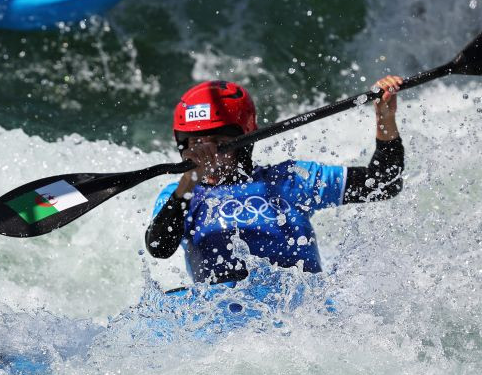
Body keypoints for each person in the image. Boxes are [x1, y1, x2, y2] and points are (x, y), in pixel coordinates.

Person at [144, 77, 405, 285]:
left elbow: (383, 182)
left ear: (245, 141)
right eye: (196, 145)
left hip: (298, 322)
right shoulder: (178, 196)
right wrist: (188, 183)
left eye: (220, 145)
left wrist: (384, 118)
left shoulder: (290, 180)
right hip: (220, 331)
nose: (209, 158)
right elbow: (159, 248)